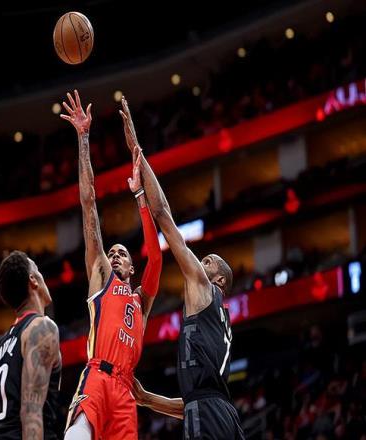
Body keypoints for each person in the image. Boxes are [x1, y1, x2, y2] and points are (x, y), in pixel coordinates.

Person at [120, 97, 245, 439]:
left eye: (208, 262)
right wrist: (148, 399)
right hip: (223, 414)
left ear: (219, 280)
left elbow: (163, 214)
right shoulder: (221, 322)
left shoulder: (204, 287)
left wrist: (136, 150)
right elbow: (195, 403)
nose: (199, 263)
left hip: (214, 415)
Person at [61, 90, 162, 440]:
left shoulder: (141, 302)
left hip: (125, 391)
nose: (115, 255)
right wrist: (83, 137)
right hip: (98, 376)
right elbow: (89, 202)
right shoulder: (101, 275)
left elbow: (157, 257)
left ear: (132, 267)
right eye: (112, 251)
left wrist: (140, 197)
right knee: (78, 434)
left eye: (122, 253)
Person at [0, 250, 62, 439]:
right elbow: (31, 412)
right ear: (33, 280)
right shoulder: (41, 328)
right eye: (38, 270)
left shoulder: (3, 345)